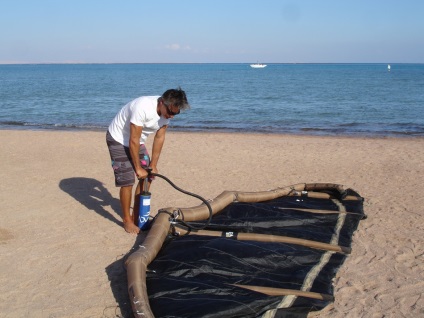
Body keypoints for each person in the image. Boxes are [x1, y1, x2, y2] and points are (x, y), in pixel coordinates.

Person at [106, 88, 190, 234]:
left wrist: (153, 165)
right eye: (170, 112)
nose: (171, 116)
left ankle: (138, 215)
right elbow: (133, 139)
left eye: (175, 113)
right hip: (118, 139)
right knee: (127, 181)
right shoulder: (143, 107)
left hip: (137, 141)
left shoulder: (167, 112)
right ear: (162, 103)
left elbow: (159, 137)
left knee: (149, 176)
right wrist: (137, 168)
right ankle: (127, 220)